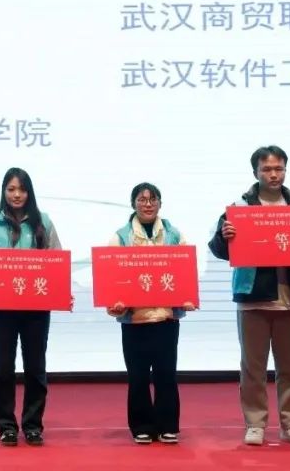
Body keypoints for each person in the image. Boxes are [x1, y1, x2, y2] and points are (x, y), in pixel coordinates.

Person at [207, 145, 290, 447]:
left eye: (278, 168)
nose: (273, 174)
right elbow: (218, 250)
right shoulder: (239, 208)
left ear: (285, 171)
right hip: (252, 298)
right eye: (267, 169)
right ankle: (255, 424)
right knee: (252, 368)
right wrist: (224, 237)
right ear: (255, 172)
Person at [0, 168, 64, 447]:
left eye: (21, 189)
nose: (17, 195)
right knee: (2, 369)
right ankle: (6, 426)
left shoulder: (43, 222)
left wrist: (61, 293)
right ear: (3, 192)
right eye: (11, 189)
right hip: (1, 311)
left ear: (29, 192)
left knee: (36, 368)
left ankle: (33, 425)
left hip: (36, 309)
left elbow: (56, 261)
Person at [106, 182, 195, 445]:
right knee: (138, 376)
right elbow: (111, 278)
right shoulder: (121, 237)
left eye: (153, 199)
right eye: (142, 199)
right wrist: (114, 303)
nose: (148, 204)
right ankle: (142, 426)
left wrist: (188, 297)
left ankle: (167, 425)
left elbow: (184, 272)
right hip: (135, 320)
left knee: (166, 374)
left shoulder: (174, 235)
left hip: (165, 317)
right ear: (133, 203)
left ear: (160, 203)